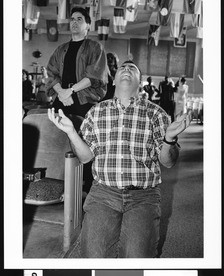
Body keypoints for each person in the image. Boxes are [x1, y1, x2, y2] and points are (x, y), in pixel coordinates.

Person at [48, 60, 192, 258]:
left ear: (139, 82)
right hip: (103, 193)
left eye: (132, 69)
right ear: (114, 80)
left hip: (143, 197)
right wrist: (72, 133)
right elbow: (86, 156)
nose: (126, 70)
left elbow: (168, 161)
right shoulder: (96, 112)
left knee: (136, 259)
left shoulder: (157, 113)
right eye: (122, 68)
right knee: (92, 257)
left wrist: (169, 139)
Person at [45, 6, 108, 119]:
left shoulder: (95, 47)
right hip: (61, 99)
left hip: (84, 102)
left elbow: (94, 76)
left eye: (79, 19)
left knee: (82, 135)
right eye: (72, 19)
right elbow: (51, 73)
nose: (74, 22)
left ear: (88, 25)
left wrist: (70, 91)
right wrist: (61, 93)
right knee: (55, 135)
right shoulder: (60, 49)